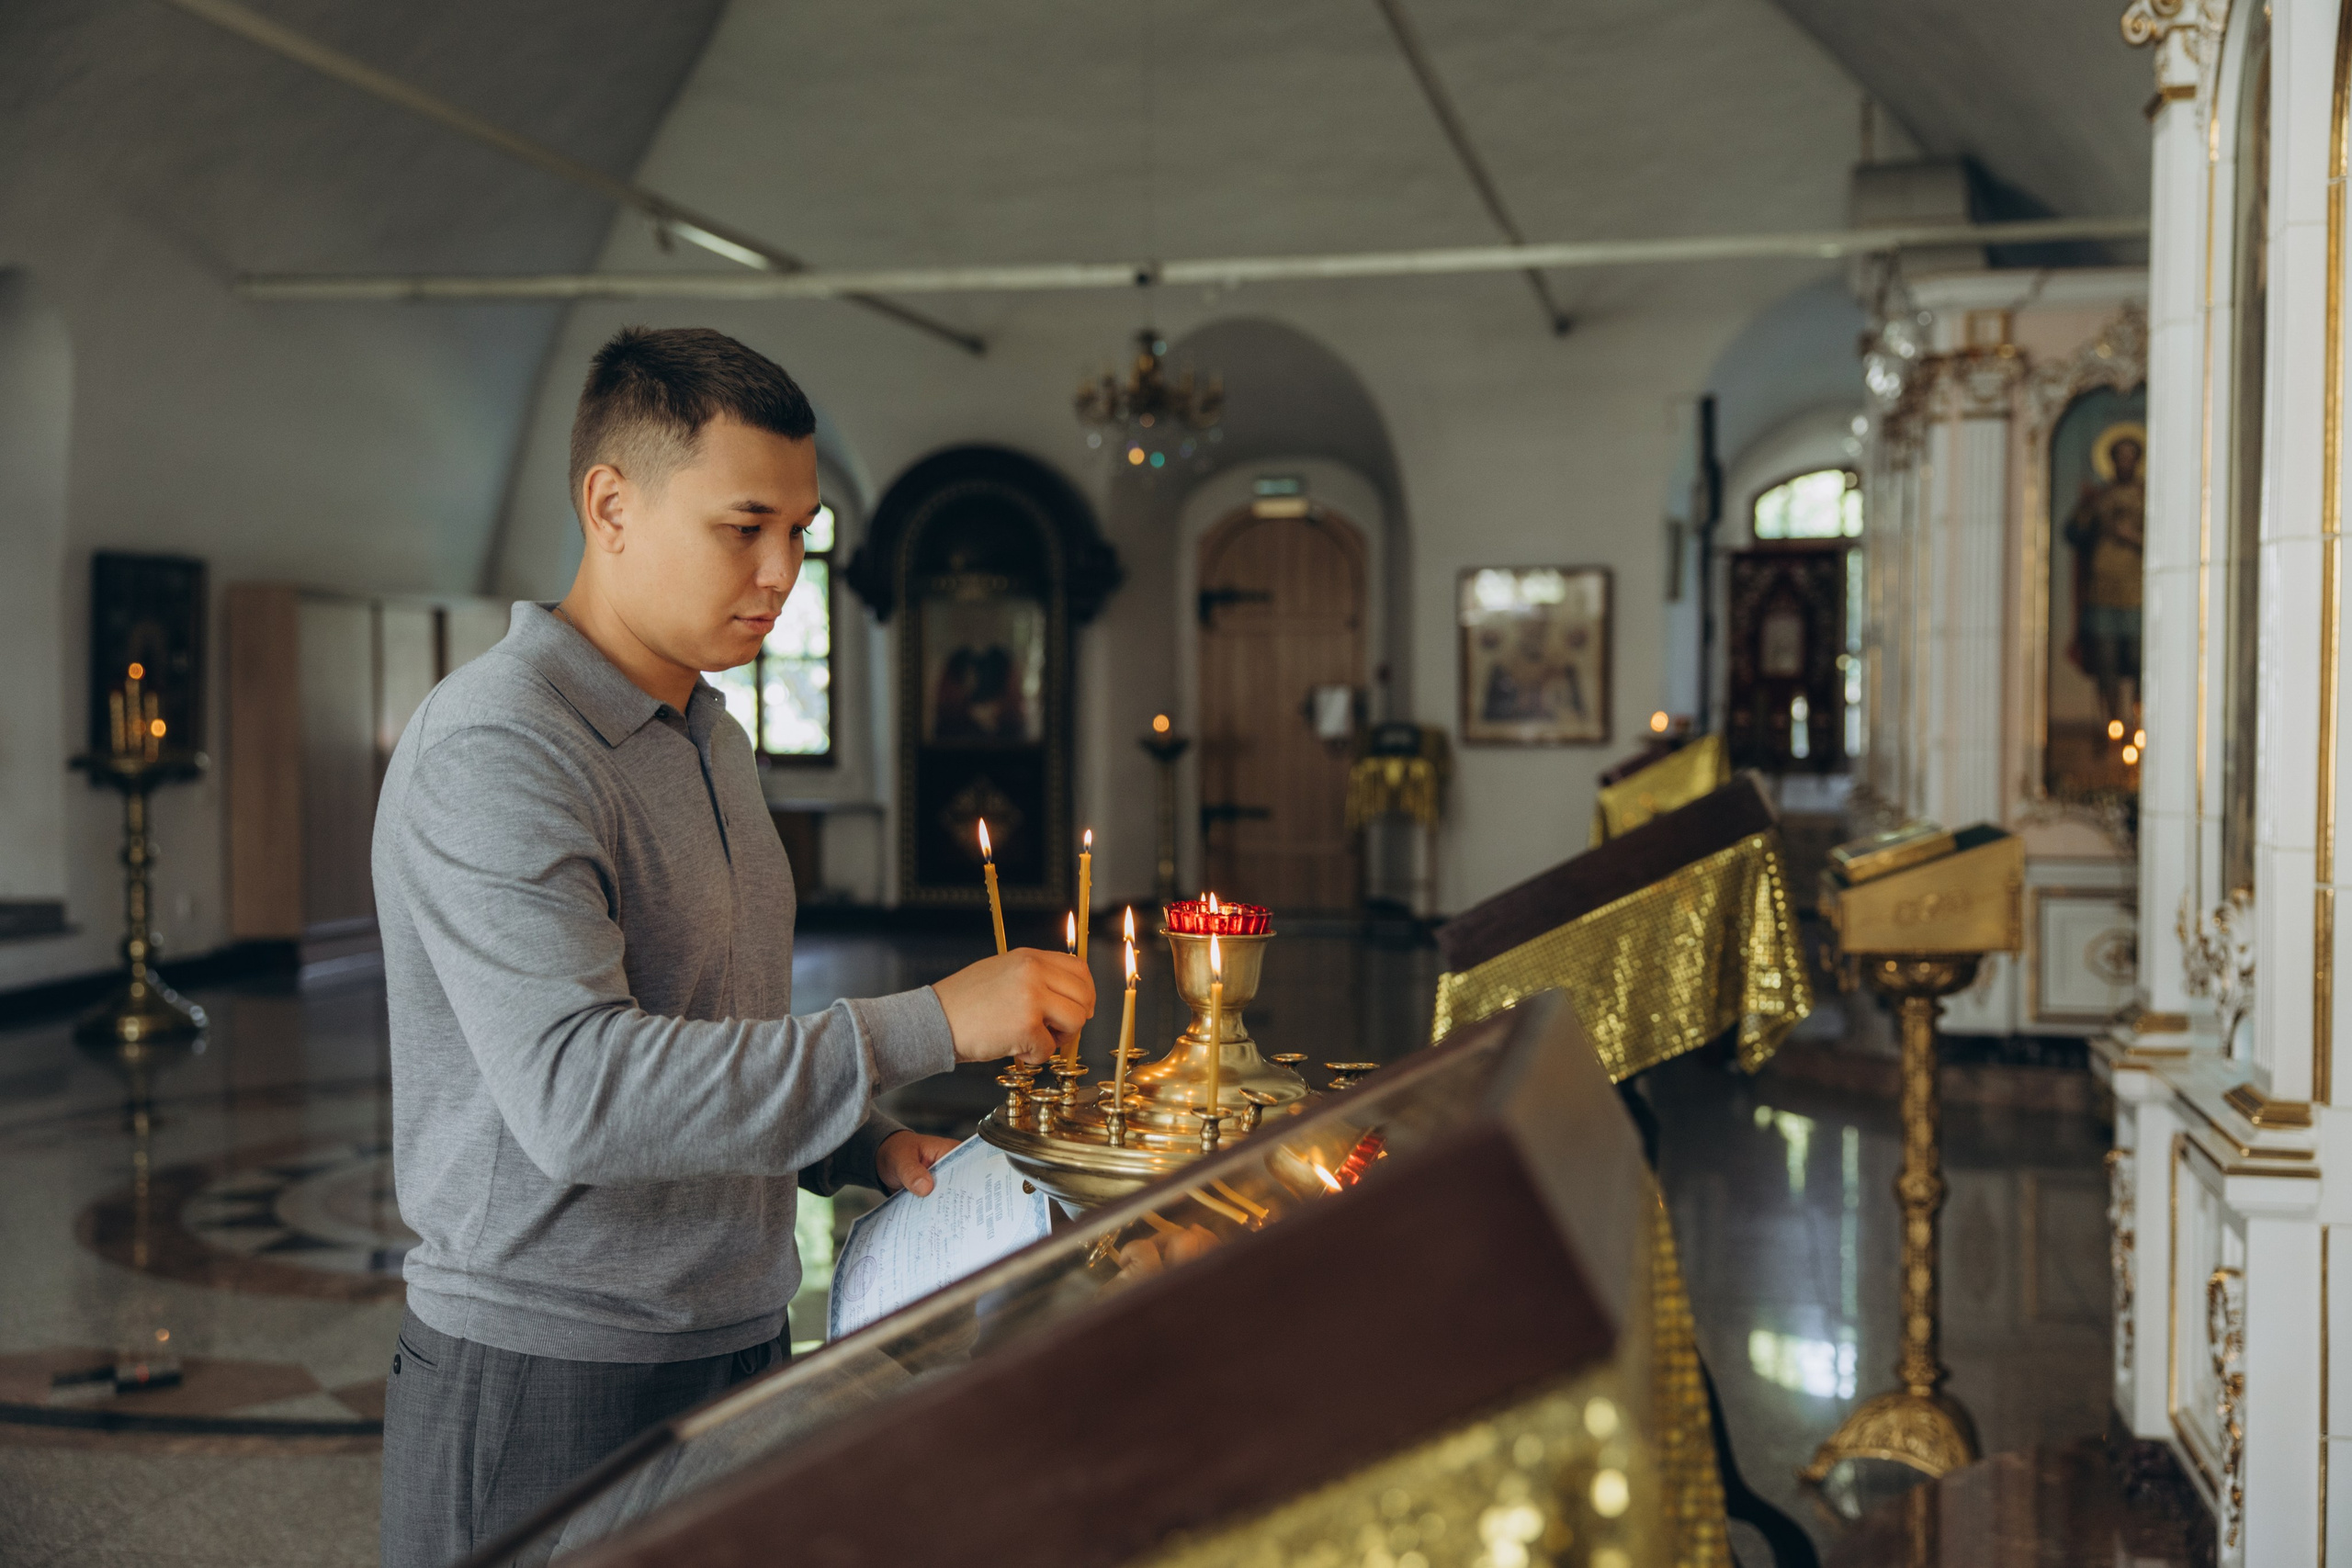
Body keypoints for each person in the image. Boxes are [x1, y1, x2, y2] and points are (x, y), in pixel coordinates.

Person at [371, 325, 1094, 1568]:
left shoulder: (708, 730)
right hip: (552, 1368)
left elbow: (702, 1026)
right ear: (610, 503)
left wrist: (855, 1140)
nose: (781, 571)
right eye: (742, 524)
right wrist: (933, 1022)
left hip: (737, 1341)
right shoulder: (498, 748)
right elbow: (579, 1093)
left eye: (802, 534)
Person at [2064, 431, 2145, 731]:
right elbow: (2074, 534)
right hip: (2102, 589)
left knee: (2138, 659)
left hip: (2136, 589)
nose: (2124, 462)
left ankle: (2138, 721)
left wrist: (2131, 536)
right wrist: (2086, 507)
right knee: (2105, 661)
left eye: (2129, 456)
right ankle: (2111, 724)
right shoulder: (2099, 497)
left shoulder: (2145, 495)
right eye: (2119, 456)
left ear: (2137, 460)